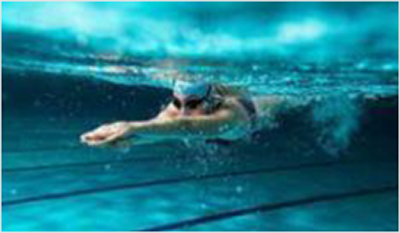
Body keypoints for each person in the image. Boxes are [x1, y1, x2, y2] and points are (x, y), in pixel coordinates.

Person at [80, 80, 304, 147]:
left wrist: (132, 127)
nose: (184, 111)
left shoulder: (230, 114)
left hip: (263, 107)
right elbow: (159, 128)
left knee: (296, 99)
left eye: (194, 103)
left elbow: (186, 127)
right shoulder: (176, 110)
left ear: (211, 100)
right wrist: (125, 139)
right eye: (178, 102)